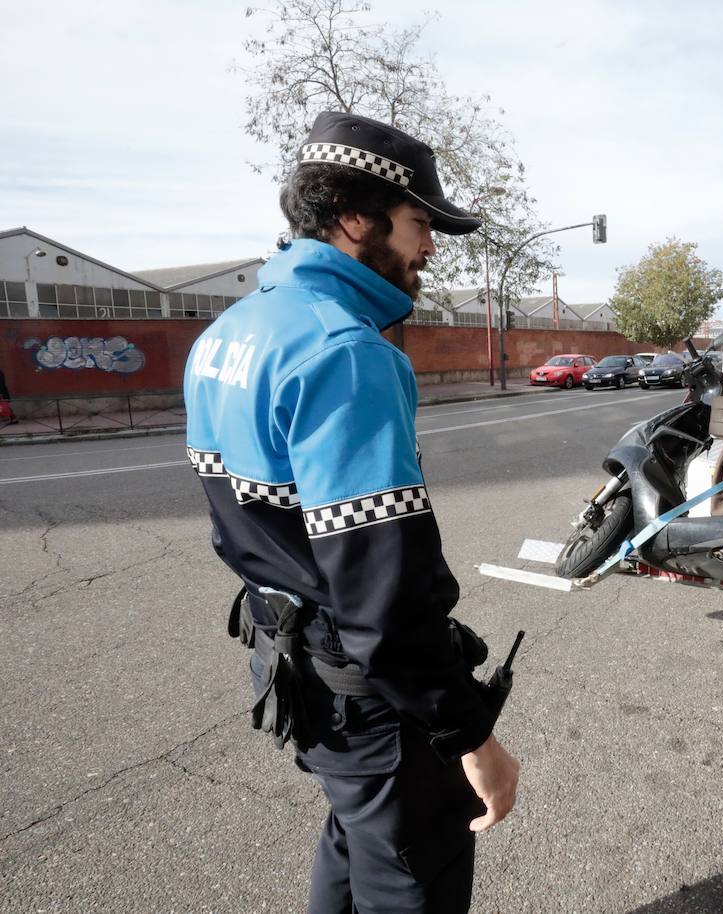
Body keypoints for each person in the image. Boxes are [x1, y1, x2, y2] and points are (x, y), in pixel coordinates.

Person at [183, 111, 519, 914]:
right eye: (419, 225)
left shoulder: (229, 333)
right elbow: (384, 594)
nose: (431, 247)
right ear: (354, 216)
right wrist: (471, 736)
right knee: (413, 876)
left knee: (357, 834)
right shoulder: (346, 350)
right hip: (369, 688)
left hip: (297, 666)